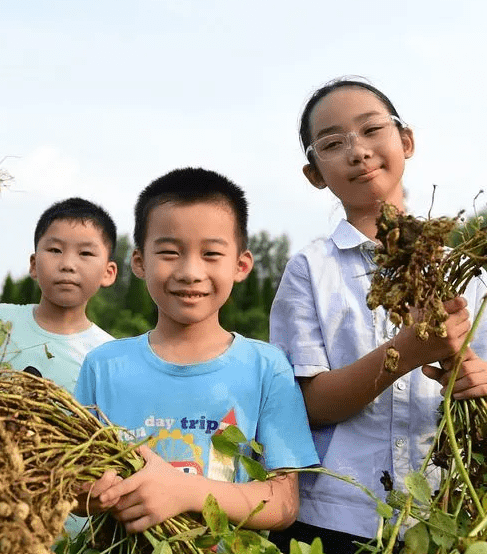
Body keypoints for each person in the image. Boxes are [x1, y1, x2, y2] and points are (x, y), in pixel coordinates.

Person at [268, 78, 487, 554]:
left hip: (445, 511)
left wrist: (480, 383)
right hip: (334, 517)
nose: (358, 152)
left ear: (406, 141)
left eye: (371, 131)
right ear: (315, 173)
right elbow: (310, 404)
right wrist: (406, 352)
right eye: (332, 143)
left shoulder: (462, 268)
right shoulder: (310, 270)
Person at [77, 168, 319, 534]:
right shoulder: (103, 366)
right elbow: (74, 487)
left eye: (210, 254)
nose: (190, 271)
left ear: (241, 265)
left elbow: (284, 502)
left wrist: (187, 493)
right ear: (140, 262)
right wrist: (91, 495)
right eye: (170, 252)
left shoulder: (267, 368)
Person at [0, 197, 118, 394]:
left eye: (85, 253)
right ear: (33, 265)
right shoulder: (0, 320)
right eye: (55, 250)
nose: (67, 264)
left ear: (108, 273)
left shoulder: (109, 355)